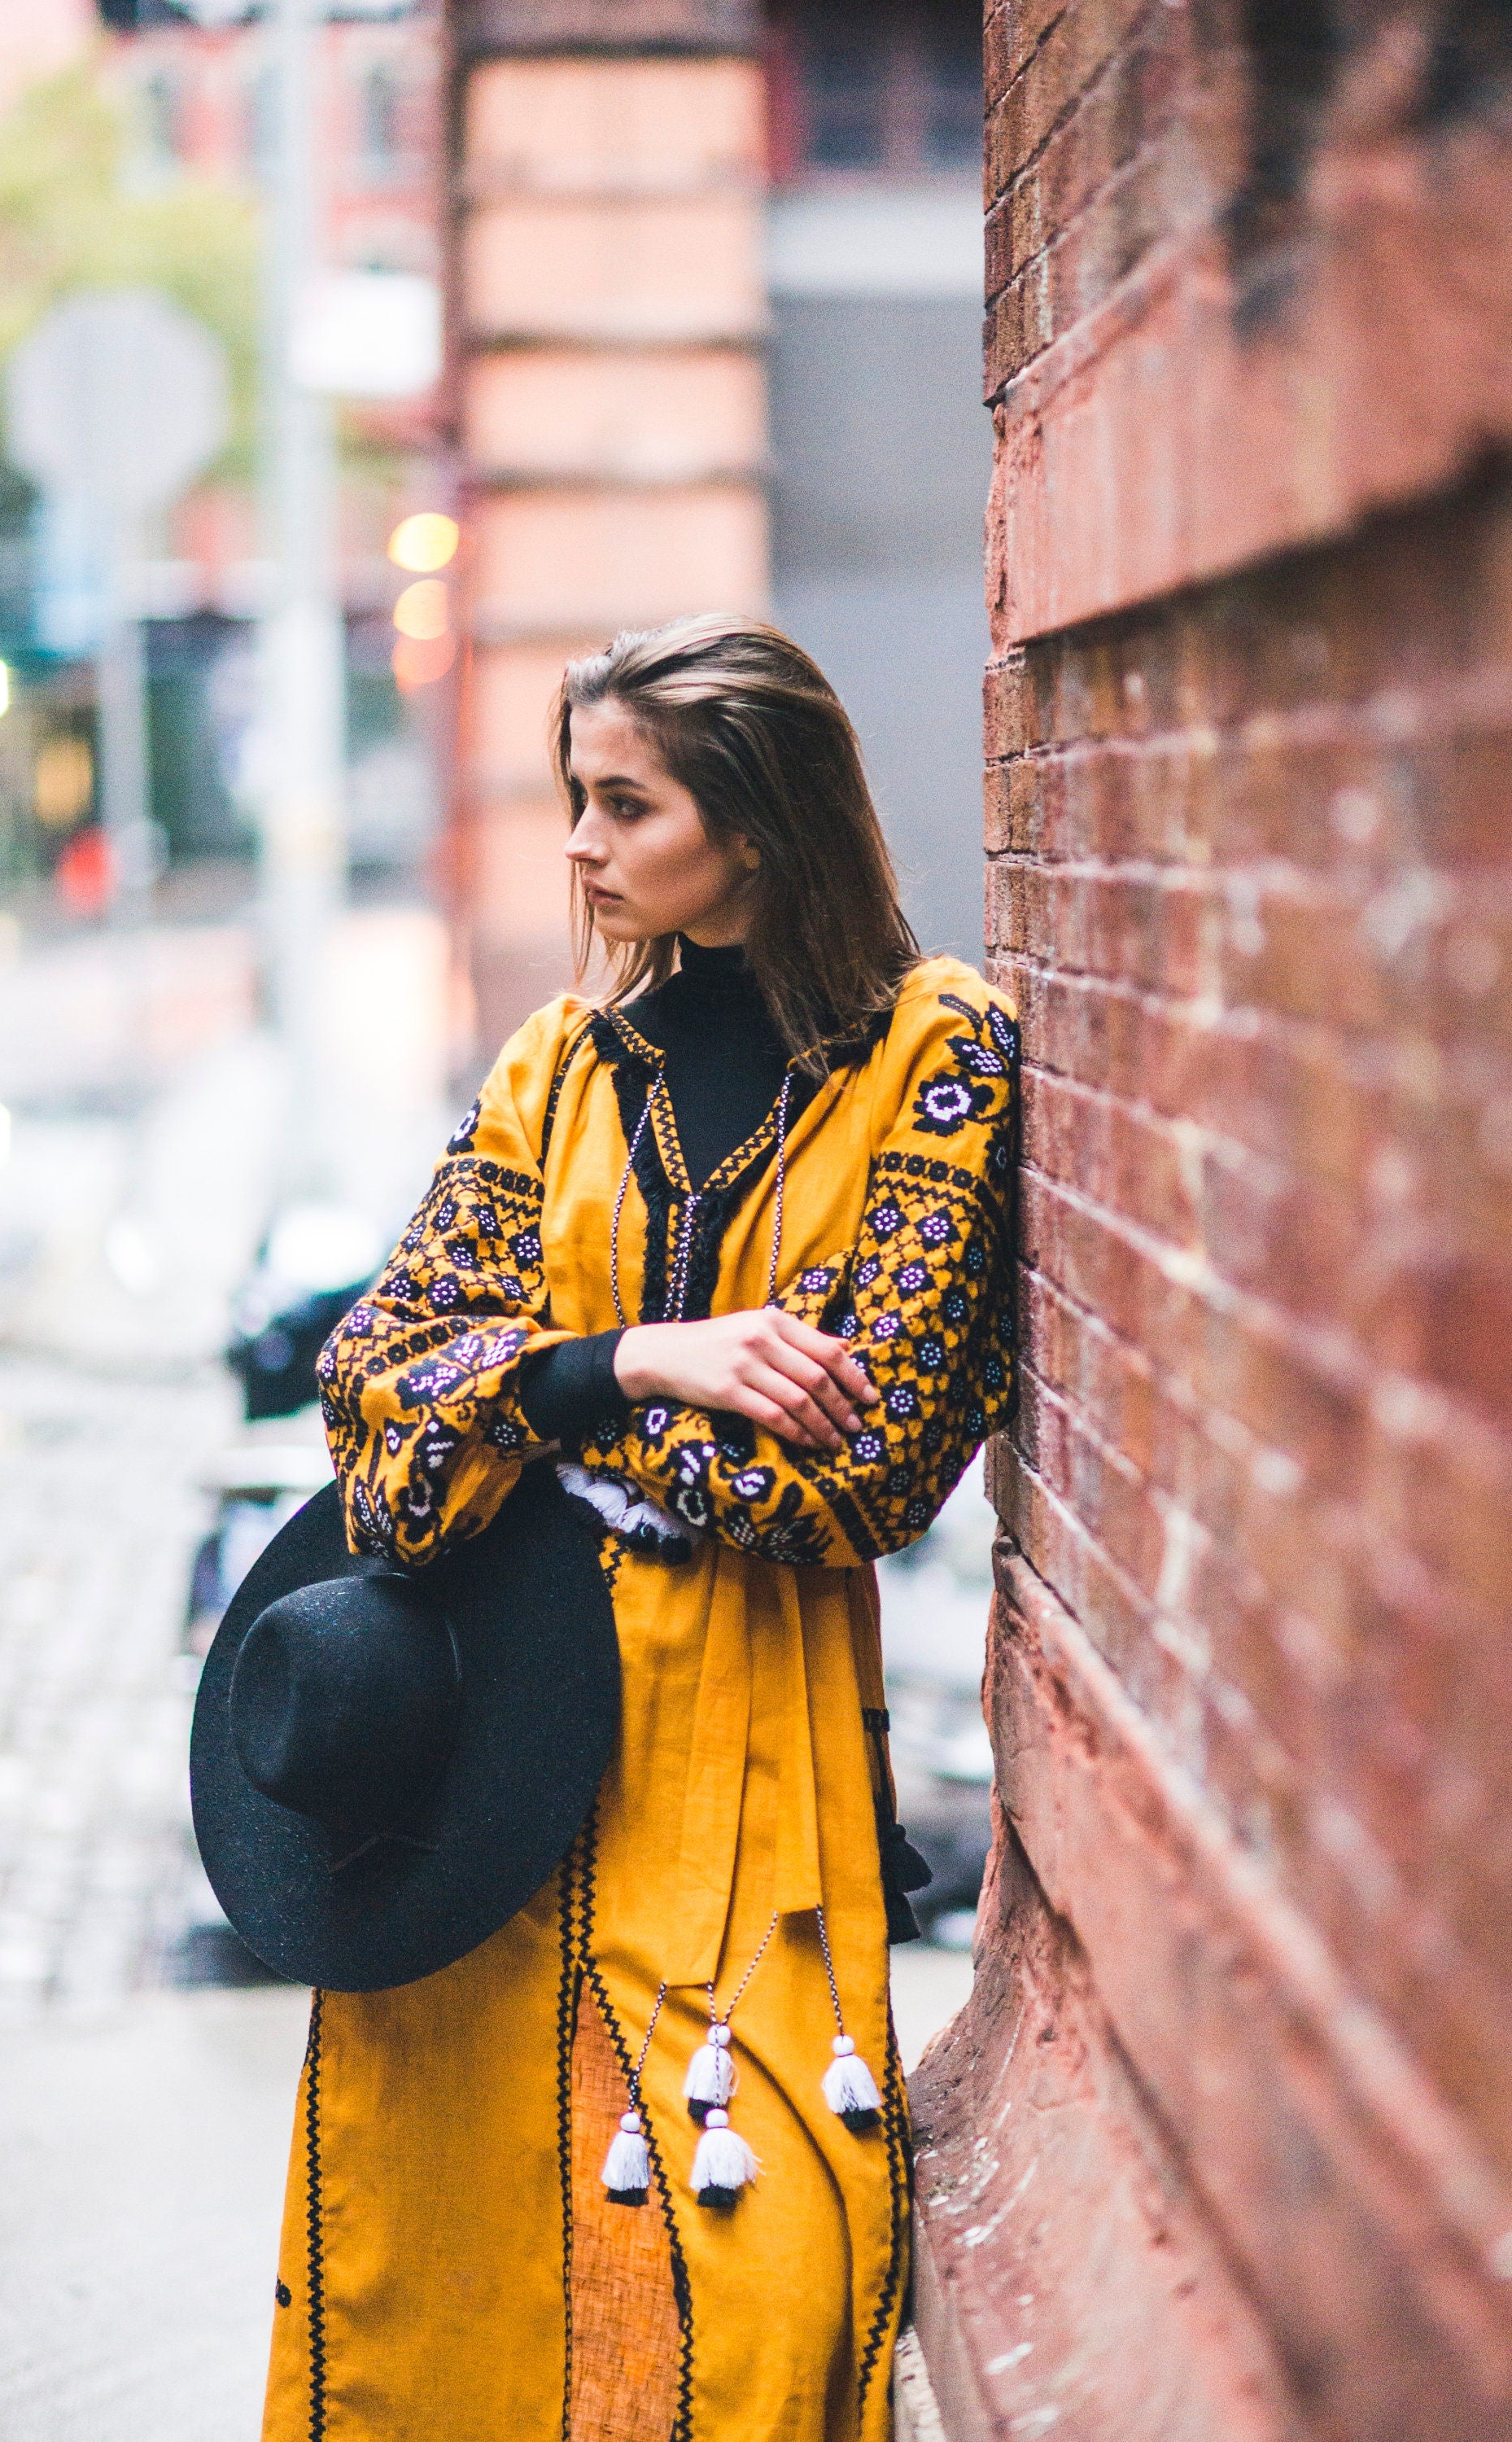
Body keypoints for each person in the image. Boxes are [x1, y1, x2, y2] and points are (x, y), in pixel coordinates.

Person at [260, 615, 1018, 2442]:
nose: (580, 846)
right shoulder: (559, 1069)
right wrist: (638, 1362)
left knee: (760, 2274)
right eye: (571, 798)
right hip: (479, 1756)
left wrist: (529, 1410)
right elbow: (373, 1404)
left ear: (753, 820)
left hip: (745, 1766)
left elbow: (854, 1467)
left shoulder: (937, 1058)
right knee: (452, 2267)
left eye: (623, 802)